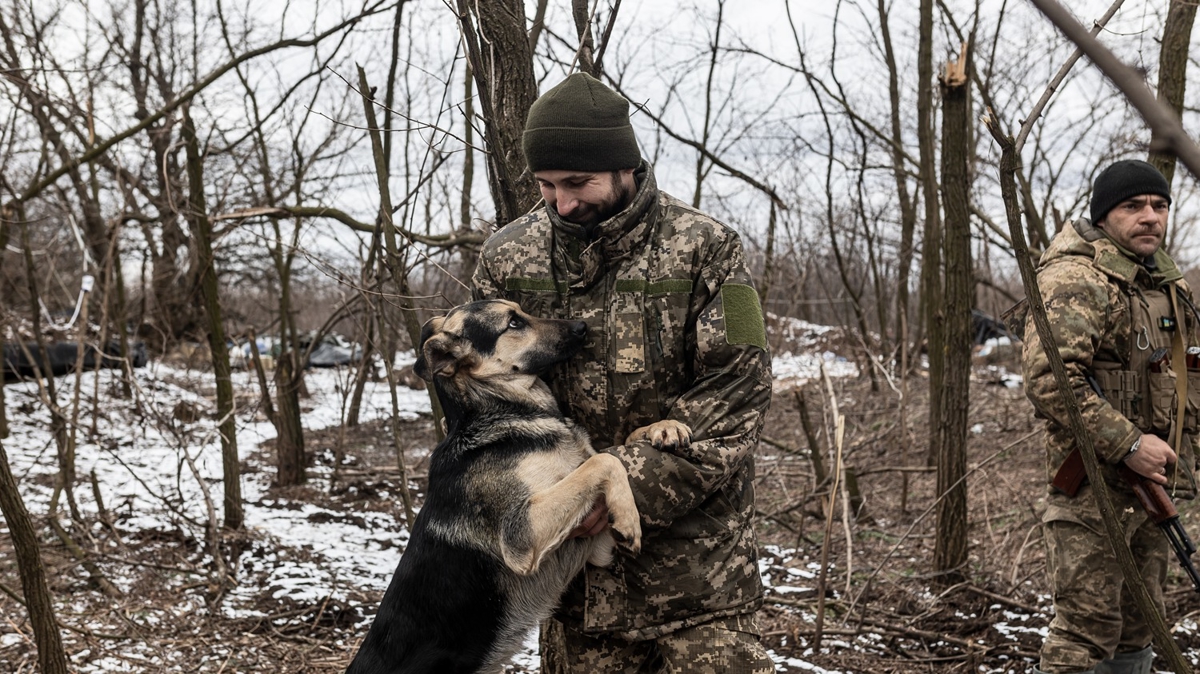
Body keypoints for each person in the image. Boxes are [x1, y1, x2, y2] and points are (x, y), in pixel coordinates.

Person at [471, 72, 775, 673]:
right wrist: (548, 504)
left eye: (578, 182)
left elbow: (738, 391)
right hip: (575, 591)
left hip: (699, 584)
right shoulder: (507, 259)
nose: (562, 202)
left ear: (626, 166)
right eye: (547, 185)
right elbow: (485, 409)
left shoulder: (706, 247)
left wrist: (619, 488)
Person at [1020, 159, 1200, 674]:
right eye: (1134, 206)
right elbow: (1051, 379)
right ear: (1104, 216)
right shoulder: (1076, 278)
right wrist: (1129, 445)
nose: (1150, 217)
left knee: (1140, 623)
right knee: (1085, 631)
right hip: (1093, 490)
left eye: (1159, 205)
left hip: (1154, 487)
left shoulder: (1163, 282)